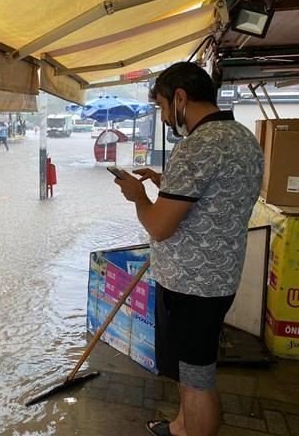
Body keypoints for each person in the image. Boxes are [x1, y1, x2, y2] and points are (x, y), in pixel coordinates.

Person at [113, 62, 263, 436]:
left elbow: (160, 226)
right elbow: (215, 197)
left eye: (163, 106)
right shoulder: (243, 138)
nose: (165, 117)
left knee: (196, 379)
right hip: (219, 278)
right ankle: (181, 427)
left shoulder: (196, 147)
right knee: (191, 369)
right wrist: (166, 182)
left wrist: (139, 196)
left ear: (180, 97)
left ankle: (190, 429)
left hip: (188, 286)